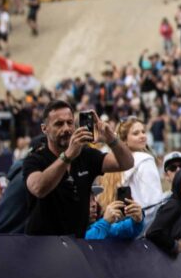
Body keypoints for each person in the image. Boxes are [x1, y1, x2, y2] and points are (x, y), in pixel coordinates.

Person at [24, 101, 135, 237]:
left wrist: (111, 138)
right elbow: (38, 188)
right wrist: (68, 156)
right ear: (44, 128)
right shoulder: (35, 158)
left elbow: (127, 163)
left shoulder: (85, 154)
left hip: (77, 243)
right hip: (43, 245)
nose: (66, 129)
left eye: (70, 123)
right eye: (59, 124)